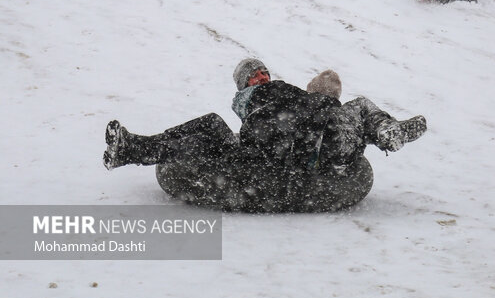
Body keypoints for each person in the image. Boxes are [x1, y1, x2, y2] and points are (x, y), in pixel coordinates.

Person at [103, 59, 427, 212]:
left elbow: (318, 106)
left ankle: (389, 132)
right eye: (251, 75)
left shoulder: (289, 94)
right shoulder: (253, 102)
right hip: (267, 150)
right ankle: (132, 148)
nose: (259, 76)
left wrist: (322, 100)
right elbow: (257, 128)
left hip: (312, 148)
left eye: (262, 72)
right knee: (211, 124)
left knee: (358, 107)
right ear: (243, 86)